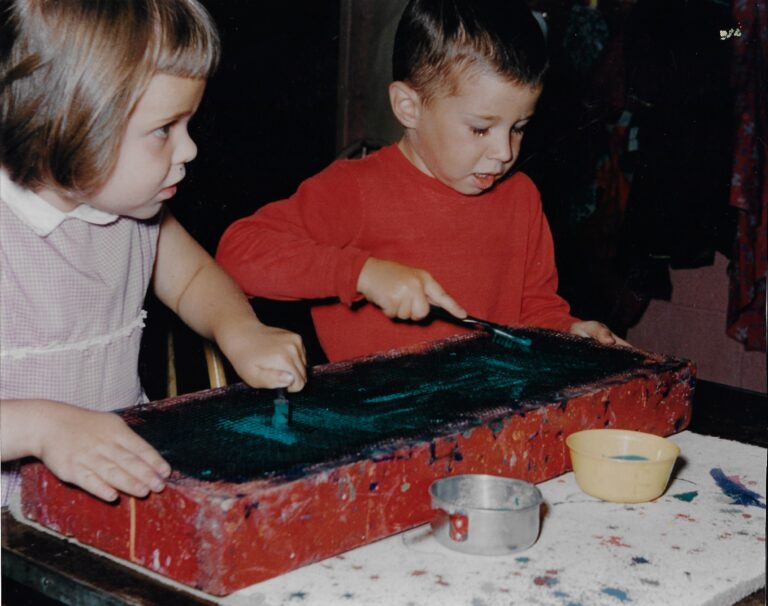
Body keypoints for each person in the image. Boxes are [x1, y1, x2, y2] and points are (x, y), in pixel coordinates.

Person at [0, 0, 307, 507]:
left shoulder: (133, 215)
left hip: (110, 498)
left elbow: (191, 280)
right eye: (165, 129)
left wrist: (239, 329)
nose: (189, 150)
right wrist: (43, 428)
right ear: (69, 121)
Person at [216, 0, 628, 363]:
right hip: (379, 427)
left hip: (490, 416)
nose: (504, 152)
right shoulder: (355, 189)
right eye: (481, 129)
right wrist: (363, 273)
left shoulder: (520, 197)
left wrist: (567, 331)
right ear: (408, 107)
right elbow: (238, 254)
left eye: (518, 127)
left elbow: (535, 312)